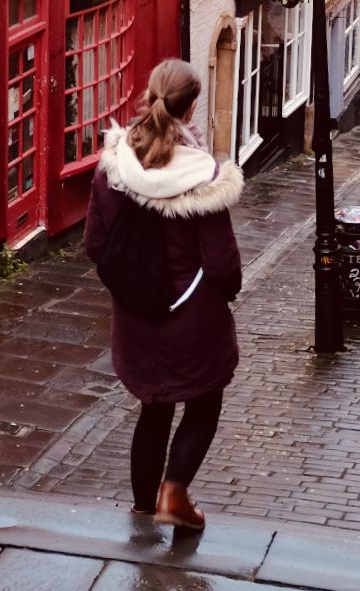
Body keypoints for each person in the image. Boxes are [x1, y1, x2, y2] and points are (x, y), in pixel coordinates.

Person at [84, 59, 243, 531]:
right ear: (192, 107)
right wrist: (225, 295)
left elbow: (95, 245)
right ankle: (174, 493)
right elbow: (221, 266)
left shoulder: (113, 167)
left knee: (153, 408)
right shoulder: (203, 176)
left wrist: (132, 286)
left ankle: (142, 509)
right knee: (204, 400)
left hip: (137, 316)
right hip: (193, 318)